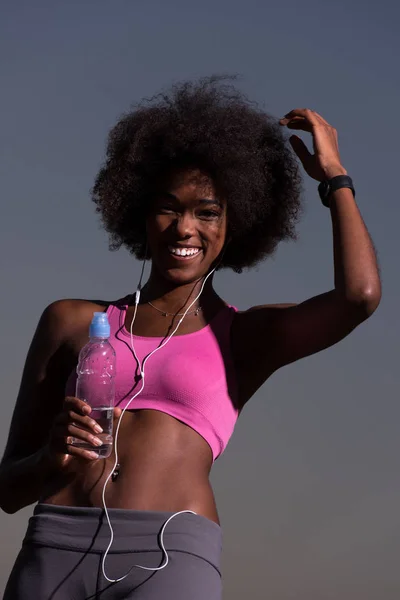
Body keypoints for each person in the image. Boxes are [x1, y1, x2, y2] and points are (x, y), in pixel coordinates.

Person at [0, 77, 381, 599]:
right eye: (168, 207)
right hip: (54, 548)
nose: (185, 228)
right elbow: (7, 490)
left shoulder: (245, 337)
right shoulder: (69, 321)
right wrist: (49, 457)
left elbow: (358, 296)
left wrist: (334, 177)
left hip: (170, 555)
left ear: (236, 223)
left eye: (207, 211)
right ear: (138, 211)